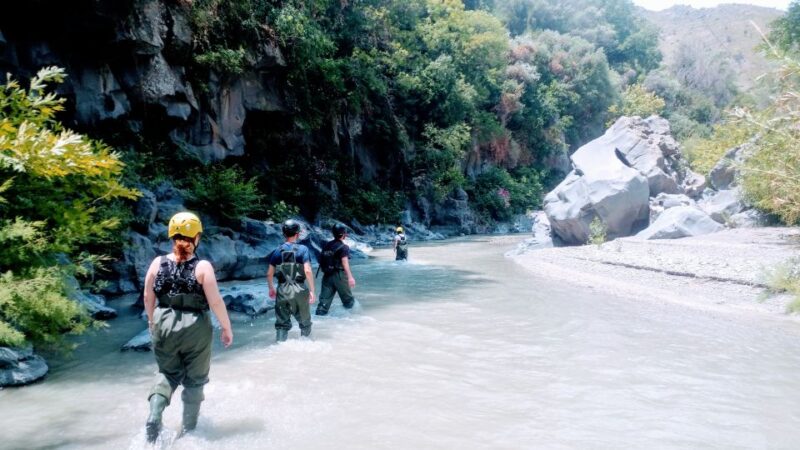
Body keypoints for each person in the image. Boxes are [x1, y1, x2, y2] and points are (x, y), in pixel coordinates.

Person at [142, 212, 233, 443]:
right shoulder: (202, 266)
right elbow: (215, 302)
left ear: (172, 235)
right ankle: (188, 434)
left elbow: (147, 296)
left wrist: (153, 321)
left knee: (167, 373)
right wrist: (226, 327)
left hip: (163, 323)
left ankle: (154, 415)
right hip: (196, 328)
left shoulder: (157, 263)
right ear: (197, 237)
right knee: (195, 380)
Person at [267, 219, 316, 341]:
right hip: (299, 289)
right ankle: (307, 346)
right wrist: (312, 290)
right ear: (297, 234)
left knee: (281, 324)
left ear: (284, 234)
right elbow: (308, 271)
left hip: (282, 289)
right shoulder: (303, 249)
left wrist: (271, 288)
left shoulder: (277, 251)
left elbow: (269, 274)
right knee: (305, 322)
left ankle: (279, 347)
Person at [315, 223, 357, 316]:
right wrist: (350, 277)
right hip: (339, 276)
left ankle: (319, 318)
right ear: (344, 234)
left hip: (326, 276)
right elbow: (345, 262)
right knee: (348, 301)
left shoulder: (326, 245)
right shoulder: (344, 247)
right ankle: (352, 319)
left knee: (323, 303)